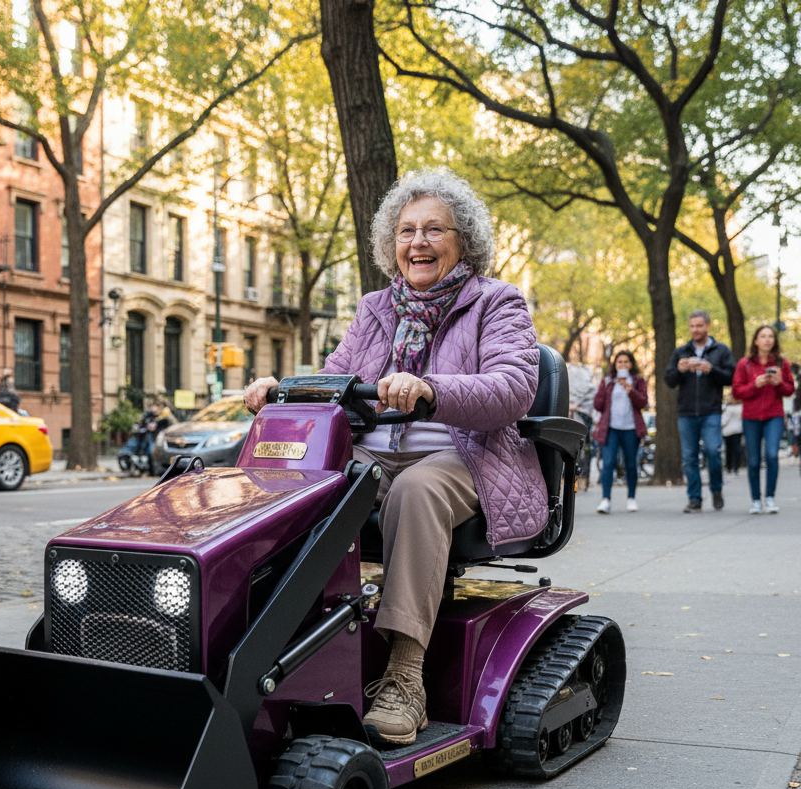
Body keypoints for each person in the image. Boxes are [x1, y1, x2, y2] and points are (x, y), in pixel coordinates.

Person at [245, 169, 547, 746]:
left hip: (466, 455)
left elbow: (513, 389)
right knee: (298, 485)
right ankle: (267, 637)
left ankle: (406, 678)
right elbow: (333, 381)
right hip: (377, 455)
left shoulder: (497, 303)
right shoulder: (376, 308)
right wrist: (278, 389)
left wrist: (432, 388)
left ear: (465, 241)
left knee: (418, 490)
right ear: (392, 243)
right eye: (407, 231)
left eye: (435, 229)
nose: (419, 242)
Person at [663, 311, 734, 512]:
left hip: (711, 410)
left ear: (707, 326)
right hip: (686, 412)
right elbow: (669, 380)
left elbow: (731, 377)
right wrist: (680, 369)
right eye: (692, 326)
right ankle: (694, 499)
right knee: (689, 457)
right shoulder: (681, 351)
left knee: (713, 451)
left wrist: (711, 369)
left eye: (699, 326)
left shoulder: (721, 350)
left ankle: (716, 489)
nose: (695, 329)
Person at [731, 325, 795, 514]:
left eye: (770, 336)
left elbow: (790, 390)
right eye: (763, 336)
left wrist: (778, 383)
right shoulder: (745, 364)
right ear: (756, 341)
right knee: (753, 460)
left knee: (772, 455)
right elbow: (737, 391)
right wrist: (755, 384)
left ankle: (770, 497)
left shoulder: (782, 363)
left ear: (774, 341)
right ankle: (756, 500)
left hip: (773, 415)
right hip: (751, 417)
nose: (767, 340)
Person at [592, 351, 648, 514]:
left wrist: (629, 389)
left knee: (631, 464)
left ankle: (631, 498)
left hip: (631, 429)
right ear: (615, 365)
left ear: (631, 364)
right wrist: (604, 387)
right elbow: (597, 405)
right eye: (619, 362)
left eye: (626, 362)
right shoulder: (608, 381)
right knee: (608, 464)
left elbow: (643, 402)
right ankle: (605, 500)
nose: (622, 365)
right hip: (611, 429)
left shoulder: (637, 381)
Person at [567, 363, 596, 491]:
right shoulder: (588, 387)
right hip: (575, 422)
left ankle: (582, 481)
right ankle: (575, 481)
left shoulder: (590, 390)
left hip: (583, 423)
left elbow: (592, 408)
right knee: (577, 452)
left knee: (583, 452)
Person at [721, 398, 744, 475]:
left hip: (728, 431)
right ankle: (736, 467)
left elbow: (724, 421)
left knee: (728, 450)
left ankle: (729, 467)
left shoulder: (728, 409)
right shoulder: (742, 407)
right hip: (738, 430)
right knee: (737, 448)